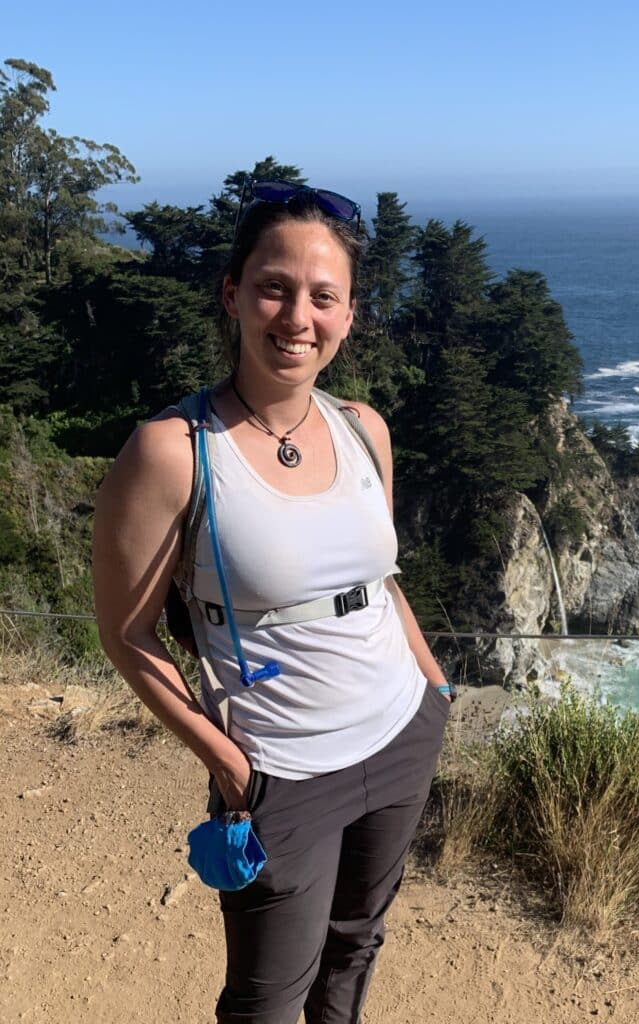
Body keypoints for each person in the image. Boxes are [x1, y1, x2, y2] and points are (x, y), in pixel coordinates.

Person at [92, 179, 453, 1024]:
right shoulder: (174, 451)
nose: (298, 316)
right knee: (265, 1001)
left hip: (402, 733)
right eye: (274, 287)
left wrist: (433, 688)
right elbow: (128, 634)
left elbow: (378, 579)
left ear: (350, 315)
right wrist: (229, 764)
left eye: (323, 297)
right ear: (233, 295)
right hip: (281, 768)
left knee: (356, 946)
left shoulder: (366, 427)